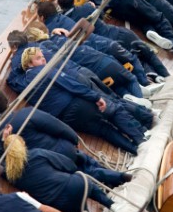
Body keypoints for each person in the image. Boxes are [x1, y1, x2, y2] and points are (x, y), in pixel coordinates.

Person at [0, 90, 132, 188]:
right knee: (87, 164)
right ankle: (119, 178)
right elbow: (56, 125)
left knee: (81, 172)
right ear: (8, 102)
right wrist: (74, 138)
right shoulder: (27, 114)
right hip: (62, 150)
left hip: (46, 163)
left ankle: (113, 181)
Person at [20, 46, 149, 154]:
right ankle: (141, 140)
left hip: (67, 119)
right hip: (76, 105)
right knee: (115, 110)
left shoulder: (26, 84)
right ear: (29, 64)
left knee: (103, 130)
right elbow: (70, 84)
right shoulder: (44, 70)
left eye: (43, 56)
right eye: (38, 58)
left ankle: (135, 150)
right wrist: (95, 96)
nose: (43, 60)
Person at [56, 0, 170, 82]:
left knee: (131, 59)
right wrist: (93, 7)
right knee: (146, 52)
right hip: (120, 34)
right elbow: (101, 17)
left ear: (59, 4)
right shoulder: (86, 8)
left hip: (107, 47)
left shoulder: (64, 23)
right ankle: (166, 75)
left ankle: (150, 76)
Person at [36, 1, 152, 86]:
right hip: (107, 44)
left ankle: (139, 89)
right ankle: (145, 82)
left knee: (114, 77)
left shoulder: (52, 33)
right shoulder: (66, 18)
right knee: (132, 59)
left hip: (96, 59)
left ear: (42, 18)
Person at [2, 134, 119, 212]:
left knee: (74, 202)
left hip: (58, 203)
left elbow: (0, 163)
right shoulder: (36, 154)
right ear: (22, 145)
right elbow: (69, 165)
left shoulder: (11, 175)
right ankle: (111, 205)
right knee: (89, 185)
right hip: (71, 186)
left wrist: (3, 142)